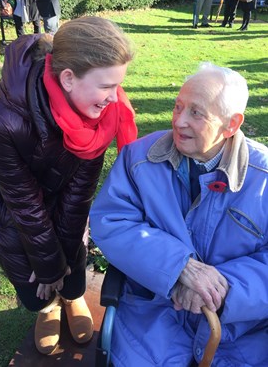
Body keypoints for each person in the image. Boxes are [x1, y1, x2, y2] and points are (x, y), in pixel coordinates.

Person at [90, 63, 268, 367]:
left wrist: (224, 290)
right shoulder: (139, 159)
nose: (179, 121)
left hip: (242, 333)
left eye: (196, 113)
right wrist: (178, 267)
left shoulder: (263, 177)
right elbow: (111, 221)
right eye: (178, 106)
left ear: (231, 124)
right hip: (153, 320)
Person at [0, 16, 137, 355]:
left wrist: (63, 264)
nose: (115, 99)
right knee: (32, 278)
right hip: (15, 202)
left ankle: (72, 296)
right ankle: (48, 308)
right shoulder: (2, 117)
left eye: (118, 85)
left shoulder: (100, 116)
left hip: (63, 189)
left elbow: (80, 192)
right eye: (106, 86)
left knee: (72, 256)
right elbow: (22, 201)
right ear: (68, 78)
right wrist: (49, 267)